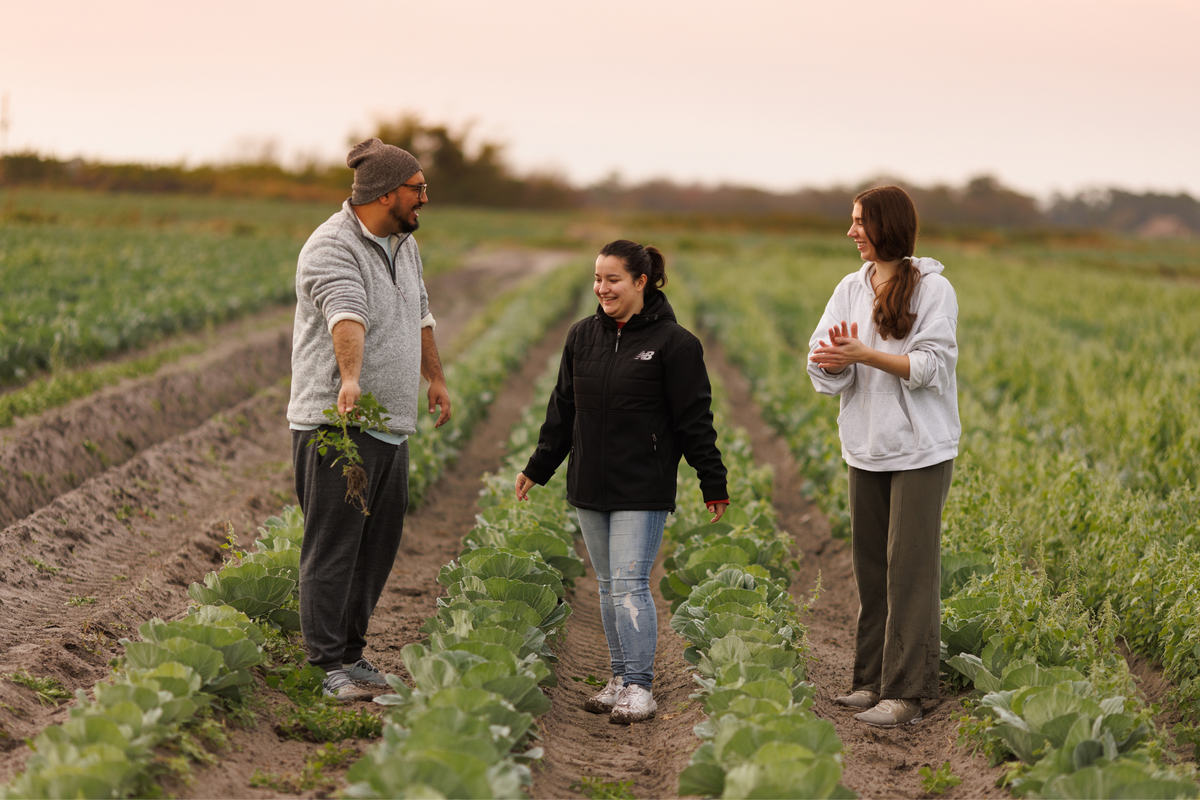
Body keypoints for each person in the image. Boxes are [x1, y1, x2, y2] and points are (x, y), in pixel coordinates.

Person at [515, 239, 730, 724]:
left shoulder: (676, 345)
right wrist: (538, 466)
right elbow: (563, 410)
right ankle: (618, 679)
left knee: (631, 584)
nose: (601, 288)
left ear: (640, 281)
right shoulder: (582, 336)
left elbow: (694, 421)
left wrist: (711, 480)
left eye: (612, 279)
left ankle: (640, 687)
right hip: (589, 482)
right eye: (597, 278)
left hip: (642, 485)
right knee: (609, 586)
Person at [287, 138, 452, 702]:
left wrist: (435, 378)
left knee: (375, 547)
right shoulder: (332, 247)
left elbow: (421, 311)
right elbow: (345, 313)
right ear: (386, 193)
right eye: (417, 189)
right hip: (339, 428)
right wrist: (351, 377)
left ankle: (352, 654)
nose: (425, 198)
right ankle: (326, 664)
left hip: (389, 426)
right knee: (333, 545)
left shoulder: (402, 242)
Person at [808, 185, 960, 728]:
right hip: (866, 444)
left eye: (859, 223)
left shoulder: (934, 290)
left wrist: (865, 354)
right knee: (872, 571)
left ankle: (907, 693)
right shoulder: (850, 288)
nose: (851, 232)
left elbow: (929, 368)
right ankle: (868, 682)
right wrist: (831, 363)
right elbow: (822, 360)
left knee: (910, 570)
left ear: (887, 226)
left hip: (920, 448)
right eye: (851, 221)